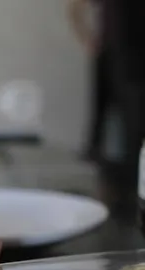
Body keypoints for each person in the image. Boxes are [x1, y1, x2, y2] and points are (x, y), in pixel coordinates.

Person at [68, 0, 145, 187]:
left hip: (136, 61)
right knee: (104, 132)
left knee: (136, 132)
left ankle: (130, 187)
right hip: (113, 57)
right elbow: (75, 7)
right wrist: (87, 39)